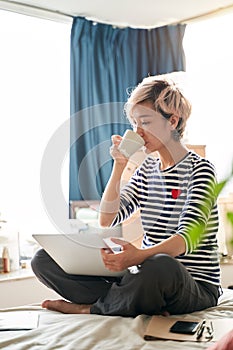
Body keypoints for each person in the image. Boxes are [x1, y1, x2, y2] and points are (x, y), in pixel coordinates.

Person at [31, 73, 221, 316]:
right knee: (44, 260)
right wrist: (119, 165)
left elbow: (186, 239)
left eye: (146, 122)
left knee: (160, 265)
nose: (137, 132)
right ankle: (130, 301)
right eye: (135, 124)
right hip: (146, 276)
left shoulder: (200, 170)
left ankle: (90, 309)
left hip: (193, 285)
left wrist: (138, 256)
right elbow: (107, 219)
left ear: (172, 121)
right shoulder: (147, 170)